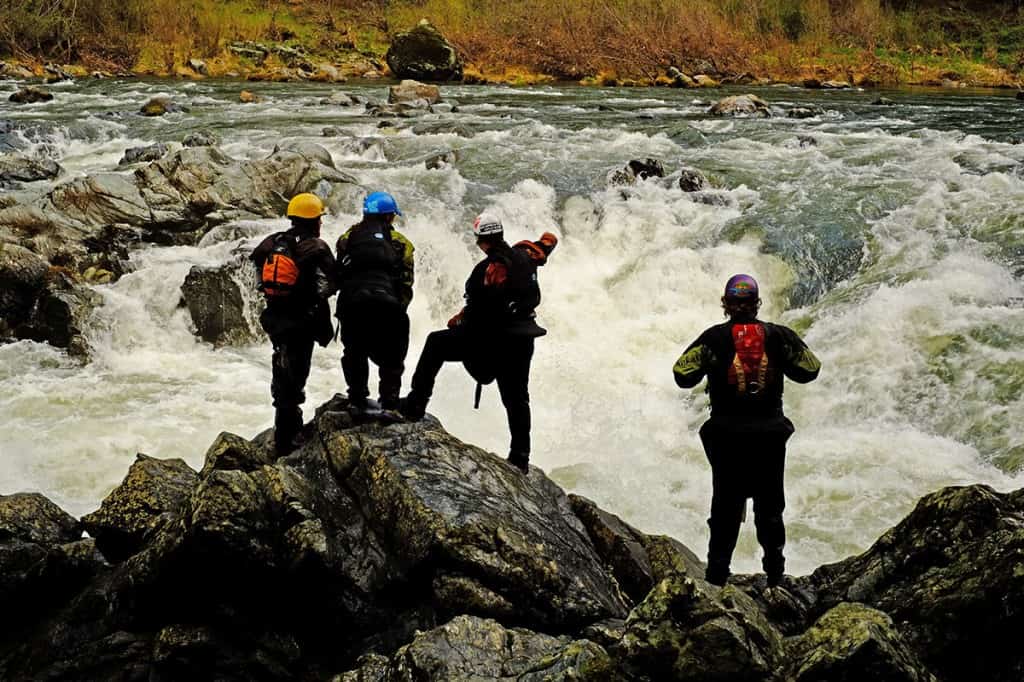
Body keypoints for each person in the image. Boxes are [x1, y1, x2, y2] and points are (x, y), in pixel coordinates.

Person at [672, 274, 820, 587]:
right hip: (770, 434)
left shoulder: (712, 338)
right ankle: (776, 578)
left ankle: (716, 578)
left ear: (725, 305)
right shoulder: (779, 335)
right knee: (770, 508)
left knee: (726, 507)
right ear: (757, 304)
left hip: (726, 436)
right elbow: (809, 369)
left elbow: (682, 373)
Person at [400, 214, 558, 473]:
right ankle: (520, 456)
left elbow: (481, 310)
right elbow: (547, 245)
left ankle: (416, 404)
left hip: (492, 339)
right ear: (501, 235)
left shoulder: (489, 269)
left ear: (481, 242)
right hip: (523, 338)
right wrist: (547, 241)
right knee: (517, 398)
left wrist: (459, 323)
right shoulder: (528, 256)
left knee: (435, 342)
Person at [250, 192, 336, 456]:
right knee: (297, 374)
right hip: (302, 321)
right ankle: (289, 437)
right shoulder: (316, 247)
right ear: (314, 221)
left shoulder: (274, 242)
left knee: (282, 368)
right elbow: (332, 282)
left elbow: (257, 268)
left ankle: (283, 428)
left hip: (277, 320)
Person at [335, 191, 414, 414]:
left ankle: (356, 399)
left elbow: (340, 273)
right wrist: (398, 310)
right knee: (393, 355)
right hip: (387, 304)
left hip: (351, 303)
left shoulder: (346, 238)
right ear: (389, 216)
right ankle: (389, 404)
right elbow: (406, 283)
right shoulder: (401, 244)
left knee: (354, 351)